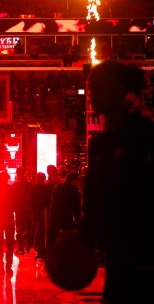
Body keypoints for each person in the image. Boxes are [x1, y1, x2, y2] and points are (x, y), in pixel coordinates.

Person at [80, 60, 154, 303]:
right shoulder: (100, 145)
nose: (92, 94)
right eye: (91, 87)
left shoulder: (145, 135)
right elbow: (95, 207)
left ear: (119, 89)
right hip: (119, 258)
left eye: (99, 86)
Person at [46, 171, 81, 248]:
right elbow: (76, 209)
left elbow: (53, 205)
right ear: (73, 180)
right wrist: (78, 221)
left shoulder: (57, 188)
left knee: (54, 241)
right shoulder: (73, 191)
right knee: (66, 242)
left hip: (54, 218)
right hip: (66, 219)